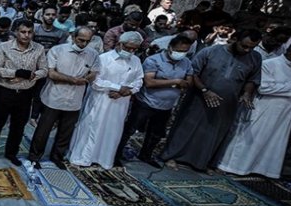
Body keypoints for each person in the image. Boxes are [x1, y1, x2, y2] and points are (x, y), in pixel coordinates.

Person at [160, 29, 263, 172]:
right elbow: (193, 72)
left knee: (213, 133)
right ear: (234, 39)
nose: (247, 50)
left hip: (227, 103)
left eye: (252, 47)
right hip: (198, 99)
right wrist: (205, 91)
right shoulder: (210, 52)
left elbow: (252, 79)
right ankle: (172, 156)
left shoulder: (255, 58)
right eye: (244, 46)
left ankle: (202, 163)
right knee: (186, 128)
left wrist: (246, 93)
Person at [216, 40, 291, 178]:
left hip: (286, 111)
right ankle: (234, 167)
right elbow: (263, 86)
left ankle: (261, 169)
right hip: (265, 107)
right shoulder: (270, 64)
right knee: (252, 137)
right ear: (290, 51)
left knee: (274, 140)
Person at [68, 31, 145, 169]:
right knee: (93, 128)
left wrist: (127, 91)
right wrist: (118, 87)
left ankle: (104, 160)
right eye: (128, 47)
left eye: (134, 49)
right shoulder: (103, 58)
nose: (131, 51)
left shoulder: (136, 61)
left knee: (112, 131)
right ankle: (82, 158)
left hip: (121, 103)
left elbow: (139, 80)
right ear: (120, 43)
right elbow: (96, 82)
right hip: (101, 100)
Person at [115, 35, 194, 168]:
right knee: (130, 129)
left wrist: (166, 82)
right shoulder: (154, 60)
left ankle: (146, 155)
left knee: (156, 134)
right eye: (178, 50)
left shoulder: (186, 62)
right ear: (170, 48)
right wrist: (175, 82)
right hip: (146, 102)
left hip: (167, 105)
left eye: (184, 51)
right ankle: (116, 155)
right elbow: (150, 82)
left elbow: (189, 82)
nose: (181, 54)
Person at [0, 21, 48, 166]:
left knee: (18, 127)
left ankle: (11, 154)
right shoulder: (4, 47)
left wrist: (33, 75)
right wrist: (15, 73)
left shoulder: (39, 49)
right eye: (23, 32)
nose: (26, 35)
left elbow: (44, 70)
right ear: (15, 32)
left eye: (29, 32)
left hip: (25, 94)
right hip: (4, 92)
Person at [27, 28, 99, 169]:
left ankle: (57, 157)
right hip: (54, 97)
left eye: (87, 41)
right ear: (73, 37)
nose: (83, 44)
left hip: (75, 100)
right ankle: (34, 157)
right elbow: (51, 73)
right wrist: (72, 80)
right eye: (81, 40)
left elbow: (95, 72)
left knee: (66, 132)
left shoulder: (93, 54)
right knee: (43, 130)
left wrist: (86, 78)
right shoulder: (58, 50)